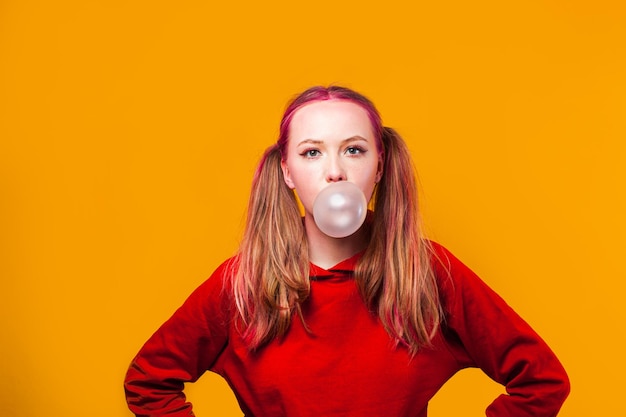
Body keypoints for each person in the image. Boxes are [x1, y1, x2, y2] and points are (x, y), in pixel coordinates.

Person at [124, 86, 570, 416]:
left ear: (379, 166)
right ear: (287, 172)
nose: (334, 171)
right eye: (312, 152)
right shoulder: (241, 282)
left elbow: (541, 381)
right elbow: (148, 384)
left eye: (353, 150)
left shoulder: (427, 273)